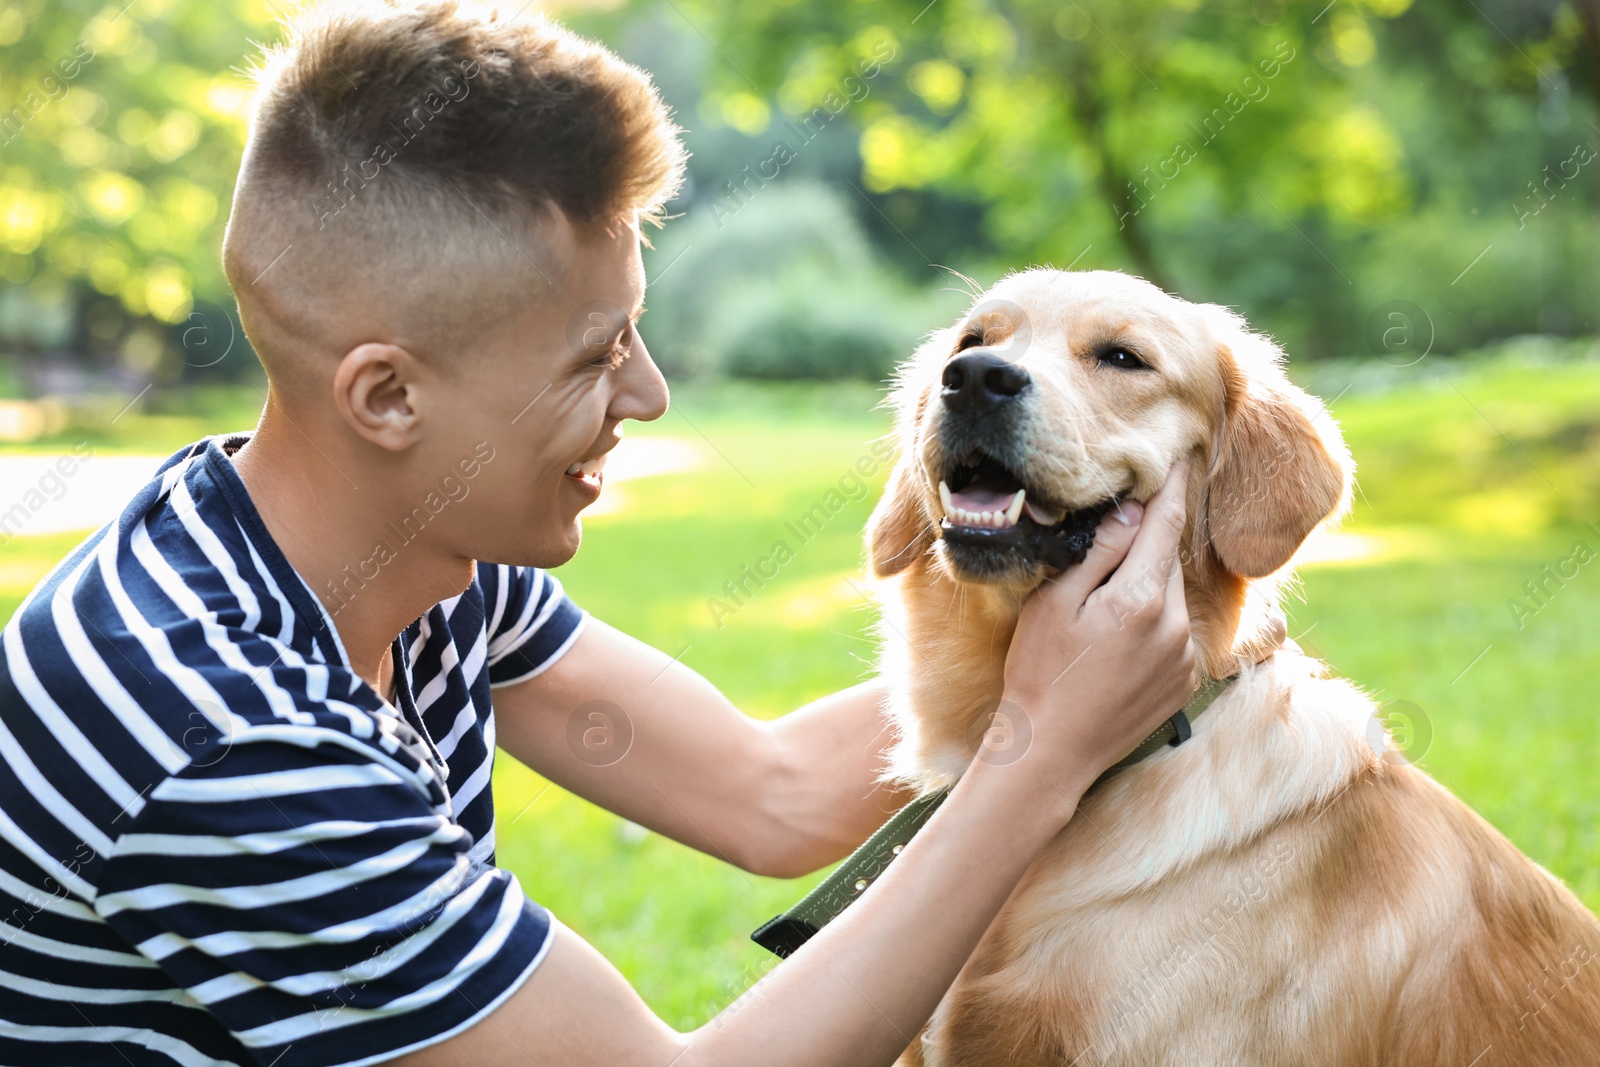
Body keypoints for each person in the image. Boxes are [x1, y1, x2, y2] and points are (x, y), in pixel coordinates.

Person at [0, 3, 1238, 1065]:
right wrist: (1037, 756)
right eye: (595, 356)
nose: (647, 392)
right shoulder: (218, 732)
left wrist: (1086, 641)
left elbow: (773, 792)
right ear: (387, 397)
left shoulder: (414, 561)